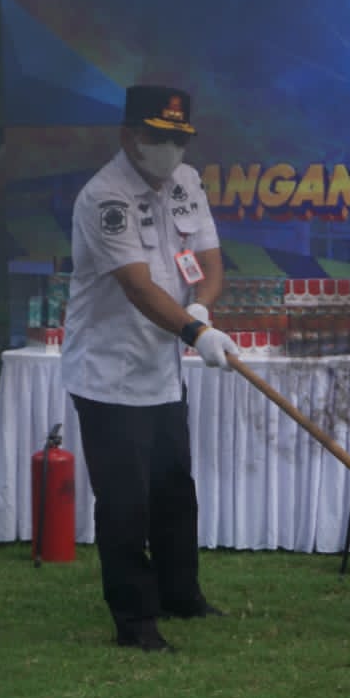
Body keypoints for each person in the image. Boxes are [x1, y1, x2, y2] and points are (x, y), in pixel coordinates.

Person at [61, 84, 240, 652]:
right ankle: (134, 620)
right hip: (110, 374)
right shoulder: (104, 197)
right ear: (129, 136)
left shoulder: (186, 182)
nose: (169, 149)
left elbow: (210, 262)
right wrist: (196, 331)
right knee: (123, 502)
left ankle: (180, 593)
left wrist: (202, 305)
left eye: (178, 138)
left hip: (164, 371)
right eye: (158, 138)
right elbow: (137, 287)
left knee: (172, 489)